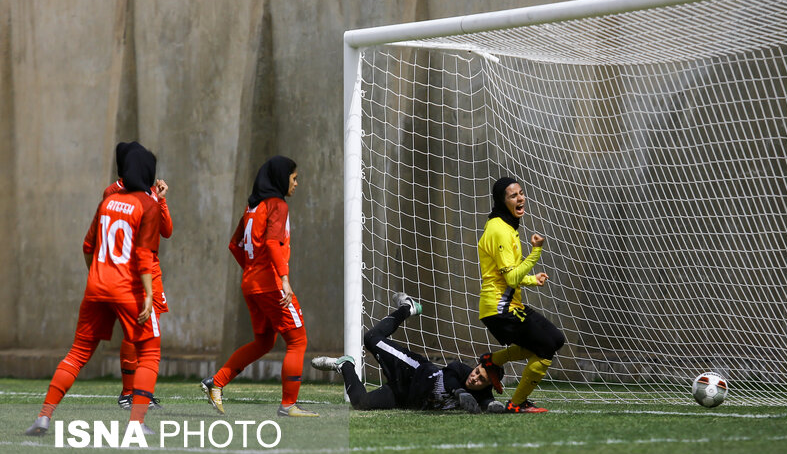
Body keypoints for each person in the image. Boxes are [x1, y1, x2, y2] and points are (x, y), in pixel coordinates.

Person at [26, 145, 164, 435]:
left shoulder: (108, 202)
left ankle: (44, 416)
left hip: (96, 286)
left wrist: (97, 275)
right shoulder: (148, 204)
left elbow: (88, 247)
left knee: (77, 353)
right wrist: (149, 294)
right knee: (150, 352)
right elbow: (143, 257)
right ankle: (136, 424)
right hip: (128, 289)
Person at [201, 155, 316, 417]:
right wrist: (284, 279)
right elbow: (273, 244)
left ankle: (216, 382)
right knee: (297, 340)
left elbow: (235, 245)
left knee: (264, 341)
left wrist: (253, 270)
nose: (297, 183)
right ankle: (288, 405)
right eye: (294, 178)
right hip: (271, 284)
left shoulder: (252, 207)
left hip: (251, 284)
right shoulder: (277, 205)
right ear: (280, 178)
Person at [311, 293, 504, 413]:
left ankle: (345, 365)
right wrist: (460, 391)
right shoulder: (461, 372)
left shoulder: (482, 395)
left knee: (361, 403)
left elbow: (490, 402)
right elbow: (451, 373)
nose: (475, 377)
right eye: (478, 371)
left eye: (481, 379)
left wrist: (495, 407)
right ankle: (407, 307)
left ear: (488, 385)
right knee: (371, 338)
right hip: (413, 370)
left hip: (405, 395)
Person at [477, 176, 565, 413]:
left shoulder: (506, 227)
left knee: (556, 339)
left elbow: (509, 275)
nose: (520, 198)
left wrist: (532, 280)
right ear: (501, 201)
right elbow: (511, 278)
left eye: (521, 193)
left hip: (509, 305)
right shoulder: (499, 231)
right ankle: (517, 404)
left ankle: (493, 361)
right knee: (545, 348)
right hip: (499, 308)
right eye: (513, 195)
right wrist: (536, 252)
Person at [105, 141, 173, 411]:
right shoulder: (118, 193)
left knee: (144, 330)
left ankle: (136, 393)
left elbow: (166, 230)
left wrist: (161, 199)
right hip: (135, 269)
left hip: (148, 269)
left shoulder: (146, 193)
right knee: (140, 333)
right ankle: (131, 393)